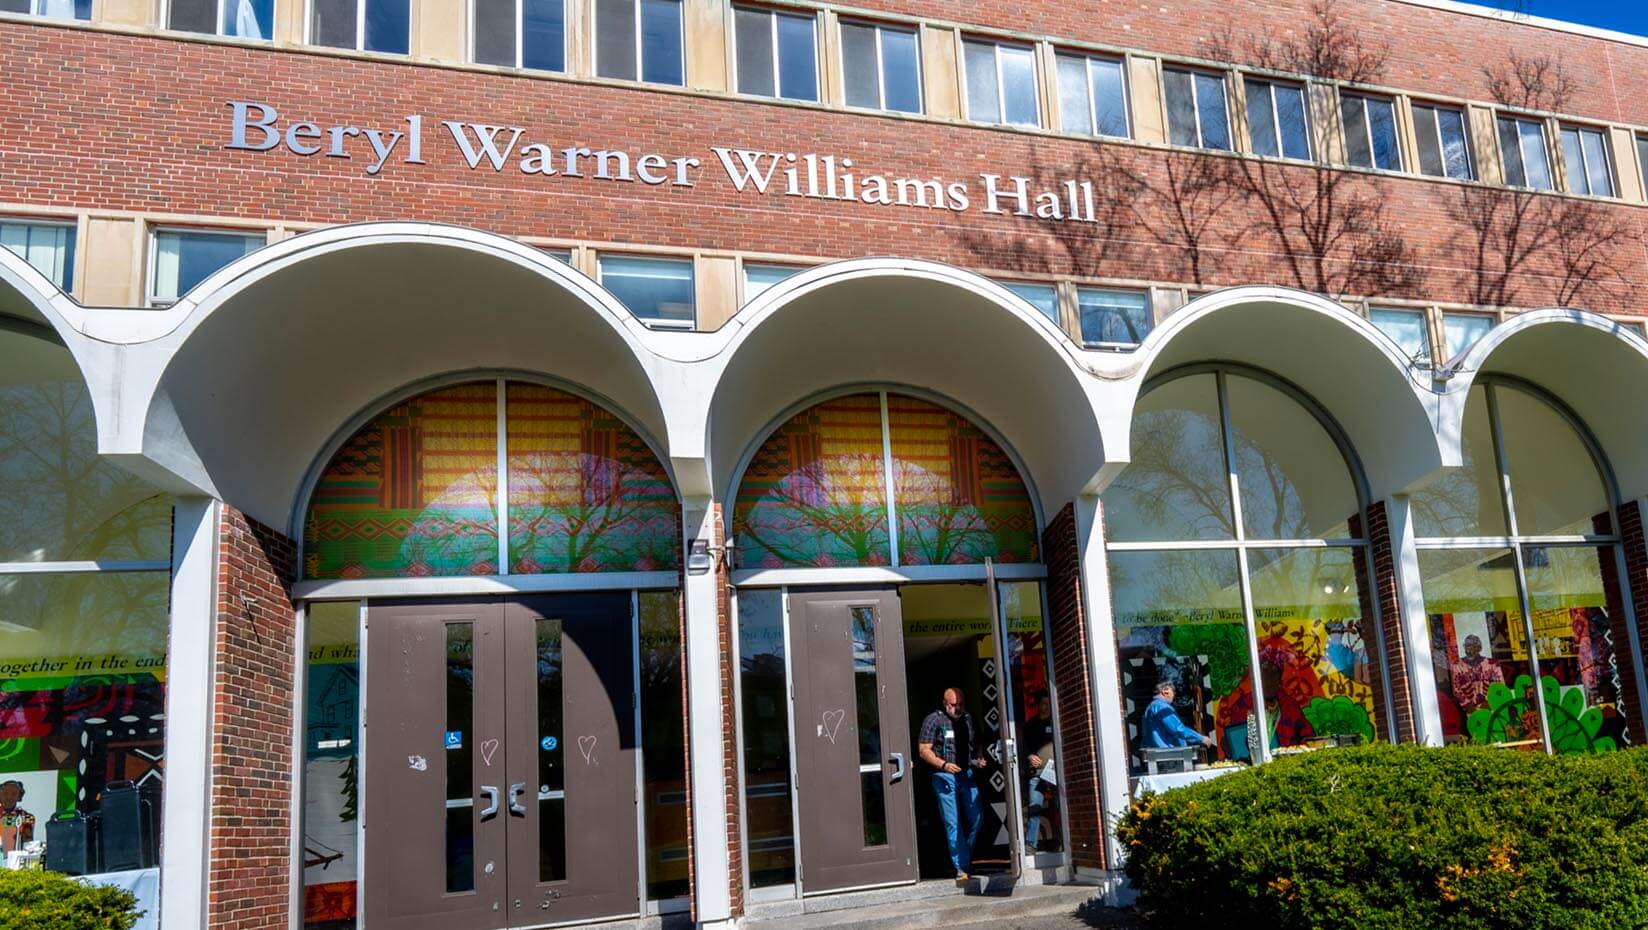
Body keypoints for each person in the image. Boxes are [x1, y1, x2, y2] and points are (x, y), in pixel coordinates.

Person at [918, 686, 987, 885]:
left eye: (961, 704)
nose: (957, 708)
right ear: (944, 703)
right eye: (953, 705)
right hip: (944, 775)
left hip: (967, 773)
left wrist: (979, 757)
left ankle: (963, 856)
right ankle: (961, 867)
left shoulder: (968, 719)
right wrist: (944, 764)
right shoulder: (934, 720)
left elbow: (978, 742)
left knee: (977, 816)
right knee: (953, 821)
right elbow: (924, 750)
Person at [1021, 691, 1057, 849]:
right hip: (1036, 774)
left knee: (1061, 807)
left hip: (1055, 772)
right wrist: (1029, 756)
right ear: (1038, 705)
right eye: (1043, 704)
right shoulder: (1030, 726)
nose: (1046, 708)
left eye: (1049, 704)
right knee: (1035, 807)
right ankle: (1031, 844)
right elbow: (1023, 749)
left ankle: (1065, 842)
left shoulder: (1056, 722)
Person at [1140, 680, 1215, 751]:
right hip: (1168, 754)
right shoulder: (1162, 707)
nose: (1174, 695)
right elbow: (1177, 729)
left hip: (1157, 753)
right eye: (1174, 692)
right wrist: (1201, 738)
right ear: (1165, 691)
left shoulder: (1151, 707)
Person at [1450, 634, 1505, 710]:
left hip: (1492, 707)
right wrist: (1468, 706)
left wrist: (1490, 702)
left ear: (1479, 648)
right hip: (1470, 711)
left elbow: (1500, 685)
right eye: (1467, 645)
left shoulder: (1493, 664)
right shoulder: (1457, 667)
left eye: (1473, 645)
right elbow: (1457, 691)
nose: (1469, 648)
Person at [0, 780, 34, 855]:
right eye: (5, 794)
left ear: (19, 797)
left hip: (15, 860)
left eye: (13, 794)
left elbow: (28, 844)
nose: (9, 797)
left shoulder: (26, 817)